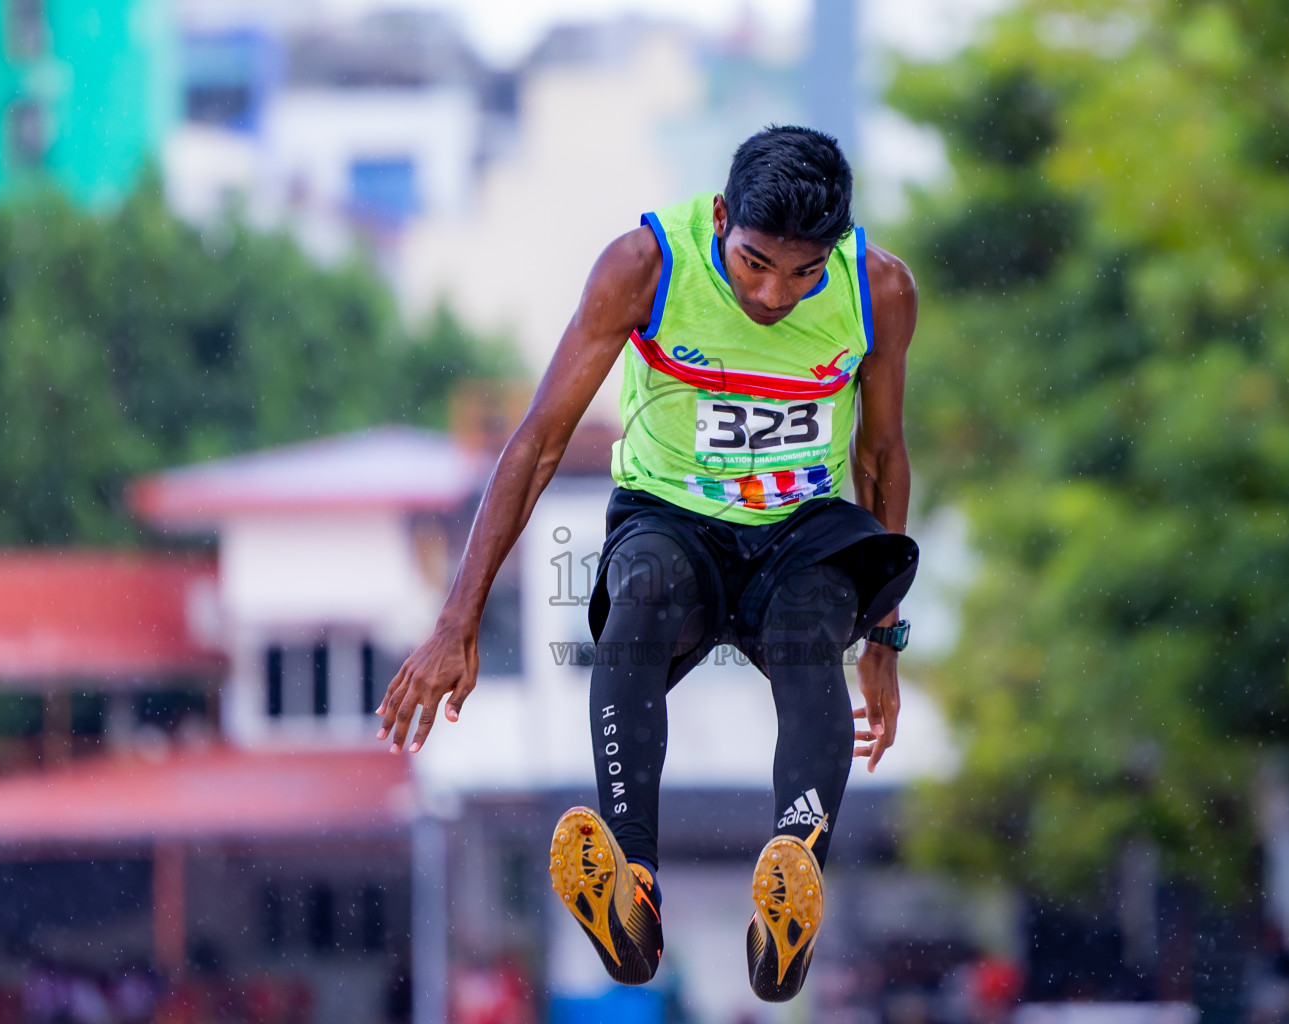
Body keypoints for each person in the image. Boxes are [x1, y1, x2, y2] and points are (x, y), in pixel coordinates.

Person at [376, 125, 919, 1002]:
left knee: (810, 626)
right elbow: (538, 441)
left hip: (800, 530)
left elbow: (884, 458)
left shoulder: (879, 290)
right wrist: (457, 618)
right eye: (752, 263)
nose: (776, 293)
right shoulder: (645, 266)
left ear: (836, 253)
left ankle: (792, 885)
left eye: (802, 271)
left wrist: (885, 640)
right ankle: (632, 887)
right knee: (639, 600)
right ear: (720, 219)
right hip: (673, 521)